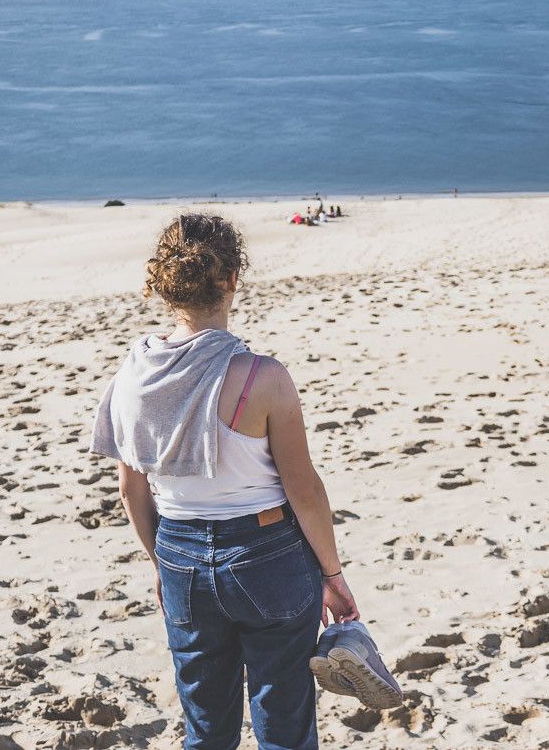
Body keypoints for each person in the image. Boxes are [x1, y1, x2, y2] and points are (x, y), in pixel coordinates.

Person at [93, 214, 360, 750]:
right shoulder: (263, 377)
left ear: (164, 285)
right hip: (268, 555)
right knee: (284, 724)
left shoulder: (132, 376)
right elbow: (304, 490)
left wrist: (160, 562)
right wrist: (332, 572)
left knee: (207, 729)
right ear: (232, 280)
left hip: (180, 553)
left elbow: (130, 489)